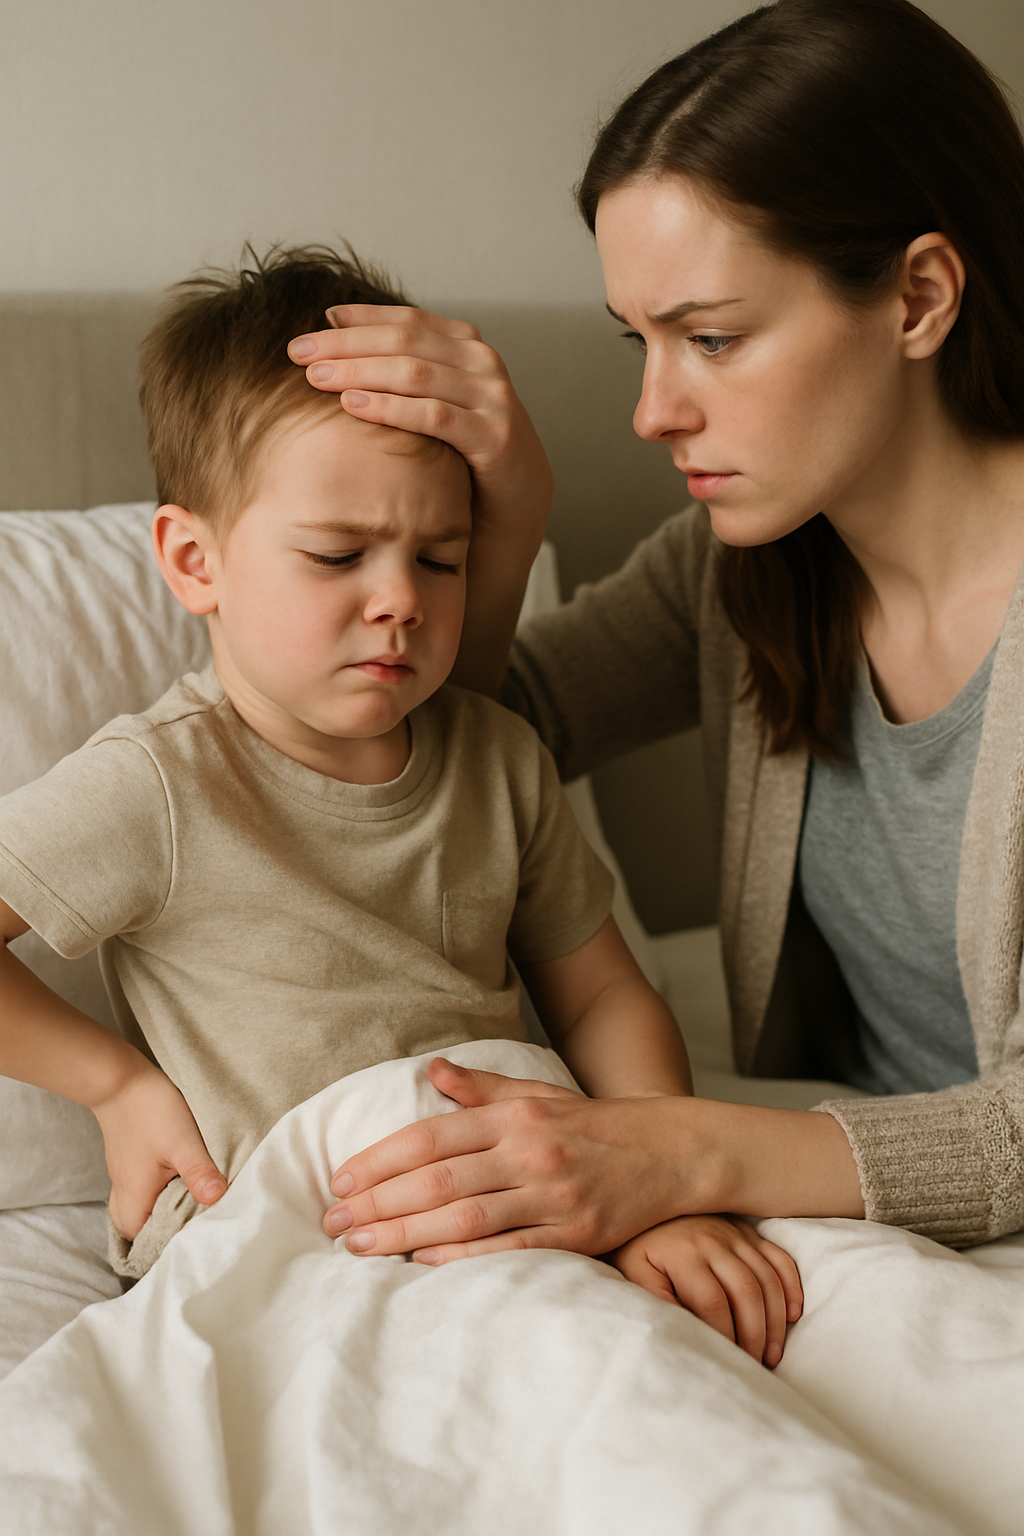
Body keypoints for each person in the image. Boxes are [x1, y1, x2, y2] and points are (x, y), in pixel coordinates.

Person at [289, 0, 1024, 1263]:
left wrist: (676, 1148)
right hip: (854, 1206)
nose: (650, 410)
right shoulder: (739, 569)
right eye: (639, 342)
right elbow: (450, 748)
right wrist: (506, 515)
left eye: (712, 339)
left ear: (916, 298)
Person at [0, 245, 800, 1361]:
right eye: (337, 556)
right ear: (194, 562)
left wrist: (662, 1176)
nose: (399, 604)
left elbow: (604, 993)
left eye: (440, 560)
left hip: (505, 1199)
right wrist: (115, 1084)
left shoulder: (496, 756)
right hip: (286, 1232)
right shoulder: (163, 782)